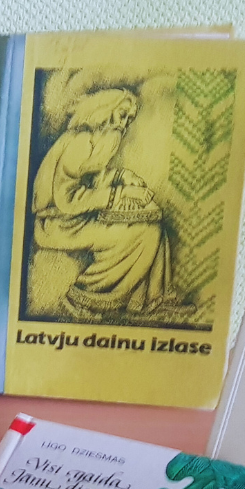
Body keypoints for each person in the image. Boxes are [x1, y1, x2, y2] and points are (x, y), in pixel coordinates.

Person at [26, 88, 174, 321]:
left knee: (155, 227)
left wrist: (122, 177)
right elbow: (67, 200)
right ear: (106, 110)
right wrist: (119, 195)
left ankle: (150, 300)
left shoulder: (97, 139)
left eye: (128, 119)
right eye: (122, 115)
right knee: (141, 235)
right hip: (58, 224)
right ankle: (85, 297)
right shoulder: (80, 143)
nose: (124, 123)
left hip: (77, 219)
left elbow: (93, 178)